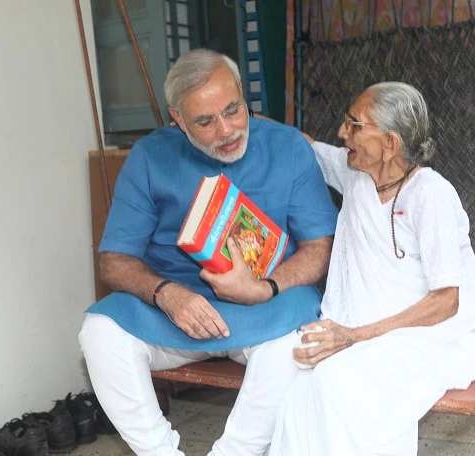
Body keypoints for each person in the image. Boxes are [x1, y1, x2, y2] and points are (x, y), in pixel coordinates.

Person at [78, 49, 337, 456]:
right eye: (205, 121)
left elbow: (320, 246)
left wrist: (267, 287)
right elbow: (114, 260)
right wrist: (166, 294)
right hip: (175, 311)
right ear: (177, 119)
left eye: (233, 110)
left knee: (298, 342)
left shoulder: (287, 147)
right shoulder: (150, 156)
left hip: (267, 308)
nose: (227, 130)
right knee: (99, 332)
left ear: (242, 95)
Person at [268, 82, 475, 456]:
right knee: (299, 373)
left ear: (390, 144)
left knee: (336, 379)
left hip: (432, 334)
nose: (343, 133)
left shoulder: (431, 195)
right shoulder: (356, 175)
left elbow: (446, 302)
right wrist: (243, 120)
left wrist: (357, 336)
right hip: (360, 326)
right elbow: (305, 146)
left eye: (354, 125)